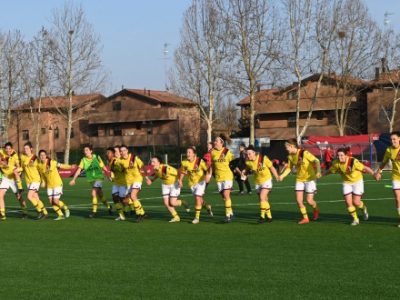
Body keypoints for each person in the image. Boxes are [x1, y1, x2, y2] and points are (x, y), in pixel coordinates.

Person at [326, 147, 374, 226]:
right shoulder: (336, 163)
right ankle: (355, 219)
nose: (339, 157)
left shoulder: (353, 161)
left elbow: (365, 168)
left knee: (356, 202)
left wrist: (374, 174)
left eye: (341, 155)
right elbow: (330, 170)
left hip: (357, 182)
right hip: (346, 183)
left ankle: (364, 208)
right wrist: (322, 174)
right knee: (348, 203)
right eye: (338, 155)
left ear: (346, 155)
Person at [278, 139, 321, 224]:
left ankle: (316, 209)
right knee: (298, 201)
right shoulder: (290, 156)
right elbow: (289, 168)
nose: (286, 149)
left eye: (286, 147)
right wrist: (282, 176)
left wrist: (318, 171)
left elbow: (316, 160)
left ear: (292, 146)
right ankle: (305, 218)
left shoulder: (304, 153)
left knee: (309, 201)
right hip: (299, 179)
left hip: (310, 179)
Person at [70, 144, 112, 218]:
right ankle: (109, 207)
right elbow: (79, 170)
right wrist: (74, 179)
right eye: (84, 150)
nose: (85, 152)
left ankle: (94, 212)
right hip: (91, 179)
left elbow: (103, 167)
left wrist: (108, 175)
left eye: (87, 150)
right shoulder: (83, 160)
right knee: (100, 195)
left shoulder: (96, 157)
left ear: (91, 151)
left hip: (99, 178)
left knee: (93, 193)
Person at [146, 156, 189, 222]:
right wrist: (151, 180)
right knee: (166, 203)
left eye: (154, 162)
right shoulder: (155, 169)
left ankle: (183, 202)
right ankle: (176, 217)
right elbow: (158, 174)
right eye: (151, 161)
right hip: (165, 185)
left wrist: (180, 181)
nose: (152, 163)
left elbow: (178, 172)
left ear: (159, 162)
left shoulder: (166, 168)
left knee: (172, 203)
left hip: (174, 184)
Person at [243, 145, 279, 223]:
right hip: (257, 182)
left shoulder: (263, 158)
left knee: (262, 197)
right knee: (263, 200)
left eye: (249, 154)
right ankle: (269, 217)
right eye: (246, 154)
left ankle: (262, 217)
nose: (247, 155)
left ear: (254, 153)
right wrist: (244, 174)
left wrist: (276, 176)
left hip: (267, 180)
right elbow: (247, 168)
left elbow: (271, 167)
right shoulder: (248, 162)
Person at [179, 146, 213, 224]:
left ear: (194, 154)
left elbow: (209, 168)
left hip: (201, 182)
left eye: (189, 152)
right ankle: (207, 207)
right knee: (200, 200)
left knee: (197, 198)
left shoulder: (199, 161)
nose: (187, 154)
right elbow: (183, 171)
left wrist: (209, 175)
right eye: (187, 152)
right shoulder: (184, 162)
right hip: (191, 184)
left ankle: (196, 218)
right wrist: (180, 180)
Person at [37, 149, 73, 220]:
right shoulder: (40, 166)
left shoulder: (51, 162)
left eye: (43, 155)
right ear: (39, 156)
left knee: (55, 201)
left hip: (57, 183)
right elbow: (43, 176)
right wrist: (43, 182)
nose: (42, 156)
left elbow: (61, 165)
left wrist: (70, 166)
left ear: (46, 155)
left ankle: (65, 208)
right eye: (41, 155)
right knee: (51, 202)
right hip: (49, 186)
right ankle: (61, 215)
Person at [374, 131, 400, 227]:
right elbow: (384, 162)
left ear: (399, 139)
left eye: (394, 139)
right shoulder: (389, 150)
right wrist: (378, 172)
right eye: (391, 139)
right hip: (396, 177)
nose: (392, 141)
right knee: (398, 199)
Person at [19, 142, 49, 219]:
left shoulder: (35, 158)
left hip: (36, 180)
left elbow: (41, 170)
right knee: (36, 198)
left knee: (29, 196)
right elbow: (23, 168)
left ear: (31, 149)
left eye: (27, 148)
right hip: (28, 181)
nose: (25, 150)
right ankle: (45, 212)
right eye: (24, 148)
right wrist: (17, 170)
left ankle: (40, 211)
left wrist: (43, 181)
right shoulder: (22, 157)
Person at [0, 142, 28, 220]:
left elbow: (19, 167)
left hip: (13, 179)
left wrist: (17, 171)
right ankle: (2, 214)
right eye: (6, 149)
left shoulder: (15, 155)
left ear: (12, 149)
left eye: (9, 149)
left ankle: (25, 212)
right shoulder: (1, 151)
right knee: (0, 195)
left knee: (19, 197)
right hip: (5, 178)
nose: (8, 150)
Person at [118, 145, 146, 222]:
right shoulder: (120, 160)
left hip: (137, 179)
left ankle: (138, 215)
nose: (122, 152)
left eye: (124, 150)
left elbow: (142, 165)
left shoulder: (134, 158)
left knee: (133, 196)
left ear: (127, 151)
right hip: (128, 182)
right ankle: (142, 213)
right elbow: (120, 170)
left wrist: (145, 175)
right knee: (125, 201)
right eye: (121, 151)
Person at [210, 134, 235, 223]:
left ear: (221, 143)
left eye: (216, 141)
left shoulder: (227, 152)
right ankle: (231, 212)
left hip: (227, 176)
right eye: (214, 141)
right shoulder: (212, 152)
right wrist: (209, 174)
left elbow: (233, 162)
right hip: (218, 178)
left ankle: (227, 215)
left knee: (226, 194)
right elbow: (211, 165)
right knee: (224, 197)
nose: (214, 142)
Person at [106, 146, 126, 220]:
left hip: (123, 183)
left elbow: (124, 170)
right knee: (115, 198)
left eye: (109, 153)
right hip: (116, 183)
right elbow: (114, 172)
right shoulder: (110, 162)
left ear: (113, 154)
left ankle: (131, 205)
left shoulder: (116, 161)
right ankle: (121, 215)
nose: (107, 154)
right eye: (106, 153)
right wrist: (111, 178)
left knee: (123, 200)